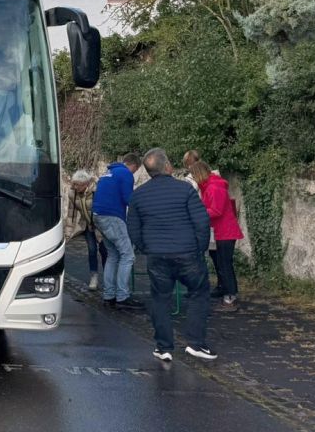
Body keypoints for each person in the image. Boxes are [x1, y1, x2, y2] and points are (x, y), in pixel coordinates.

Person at [127, 148, 216, 362]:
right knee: (198, 292)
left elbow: (133, 228)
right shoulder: (185, 190)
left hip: (157, 255)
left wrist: (145, 247)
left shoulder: (138, 195)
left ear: (148, 171)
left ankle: (164, 347)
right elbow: (202, 221)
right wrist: (200, 247)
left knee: (160, 298)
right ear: (167, 166)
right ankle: (196, 343)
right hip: (187, 253)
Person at [186, 154, 243, 311]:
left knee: (225, 264)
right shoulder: (210, 186)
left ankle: (230, 297)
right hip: (217, 231)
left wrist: (198, 212)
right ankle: (224, 290)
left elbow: (216, 210)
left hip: (224, 232)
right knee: (219, 262)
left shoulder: (214, 187)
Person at [92, 153, 143, 309]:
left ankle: (109, 295)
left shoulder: (108, 173)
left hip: (98, 215)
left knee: (113, 255)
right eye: (135, 170)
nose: (134, 173)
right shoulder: (126, 174)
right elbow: (128, 199)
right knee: (127, 255)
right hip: (113, 216)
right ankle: (122, 296)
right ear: (133, 165)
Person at [66, 169, 108, 291]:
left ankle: (108, 279)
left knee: (104, 251)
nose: (74, 186)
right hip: (87, 226)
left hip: (100, 226)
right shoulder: (72, 193)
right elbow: (71, 214)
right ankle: (93, 277)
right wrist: (68, 232)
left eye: (77, 184)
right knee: (92, 251)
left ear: (85, 184)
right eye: (74, 184)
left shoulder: (96, 191)